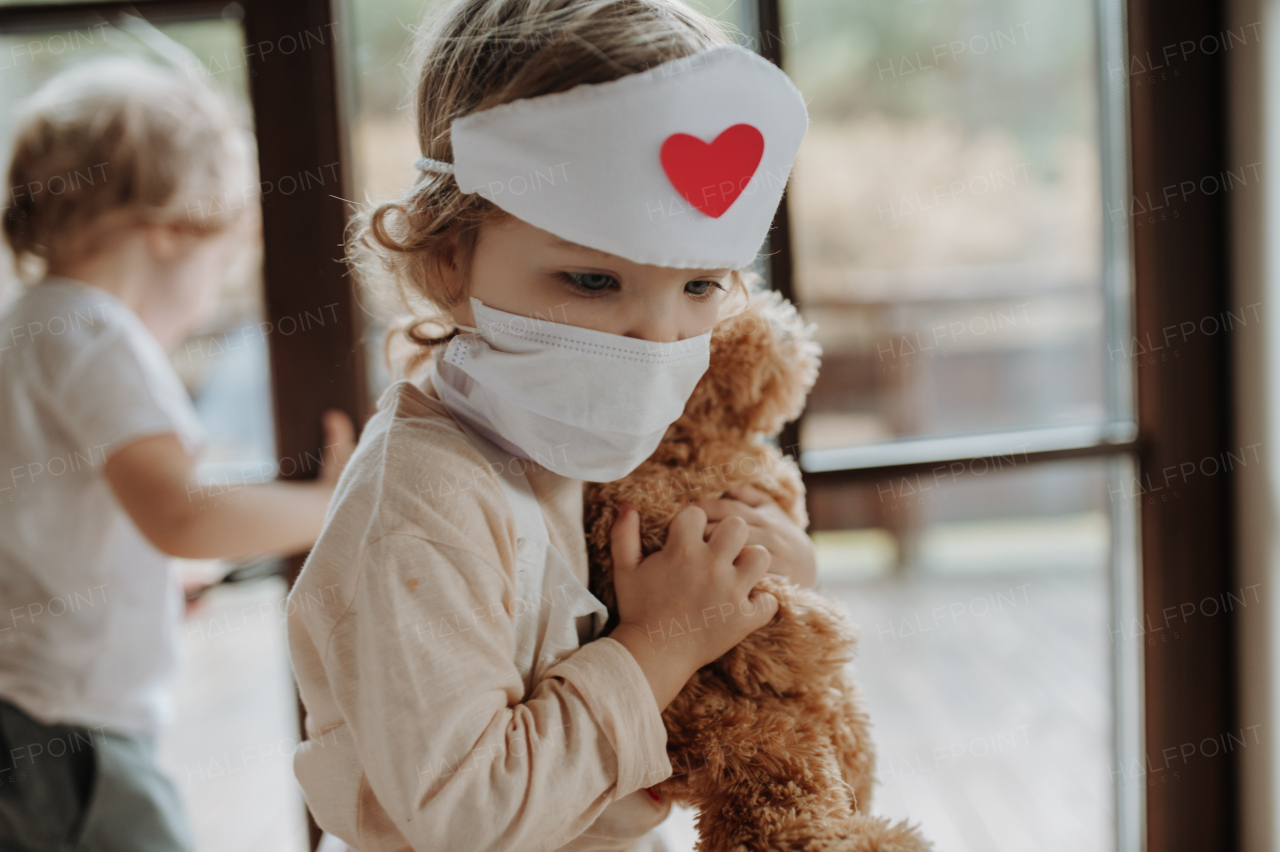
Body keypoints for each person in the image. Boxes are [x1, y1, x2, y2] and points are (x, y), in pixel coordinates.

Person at [286, 1, 816, 850]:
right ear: (447, 259)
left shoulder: (584, 440)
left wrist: (763, 569)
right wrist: (663, 641)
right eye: (592, 282)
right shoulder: (420, 505)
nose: (656, 341)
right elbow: (467, 816)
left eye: (701, 286)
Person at [0, 58, 354, 851]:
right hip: (71, 728)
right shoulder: (96, 335)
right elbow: (181, 514)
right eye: (220, 263)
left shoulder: (26, 326)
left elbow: (60, 516)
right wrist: (337, 502)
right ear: (173, 226)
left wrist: (148, 583)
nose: (208, 298)